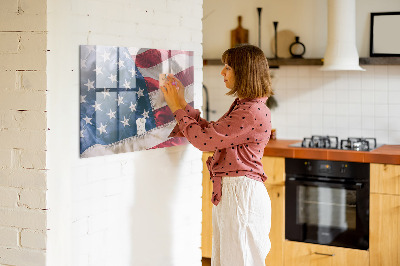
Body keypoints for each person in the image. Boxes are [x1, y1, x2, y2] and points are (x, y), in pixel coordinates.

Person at [160, 44, 273, 266]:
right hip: (235, 193)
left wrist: (176, 108)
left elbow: (204, 141)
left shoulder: (250, 111)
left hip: (241, 195)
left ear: (244, 71)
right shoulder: (246, 106)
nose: (222, 72)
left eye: (228, 67)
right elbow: (212, 133)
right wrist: (182, 104)